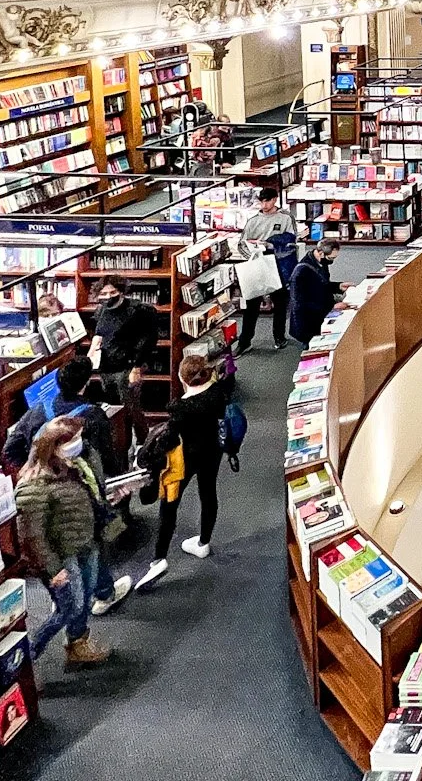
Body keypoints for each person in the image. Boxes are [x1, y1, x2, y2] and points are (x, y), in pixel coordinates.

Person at [15, 413, 111, 666]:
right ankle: (26, 657)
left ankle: (77, 645)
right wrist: (53, 569)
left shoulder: (72, 466)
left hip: (85, 544)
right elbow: (32, 535)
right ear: (53, 447)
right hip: (62, 557)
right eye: (73, 440)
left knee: (85, 600)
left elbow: (86, 498)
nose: (80, 444)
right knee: (69, 608)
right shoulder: (33, 486)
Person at [138, 351, 235, 591]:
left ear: (183, 380)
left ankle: (159, 558)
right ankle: (203, 542)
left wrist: (146, 457)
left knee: (169, 504)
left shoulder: (181, 408)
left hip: (185, 459)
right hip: (213, 452)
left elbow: (169, 440)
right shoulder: (218, 394)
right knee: (208, 493)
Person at [238, 186, 300, 354]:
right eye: (262, 201)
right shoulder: (252, 221)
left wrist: (272, 246)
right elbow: (241, 244)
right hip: (257, 265)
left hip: (278, 266)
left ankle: (279, 337)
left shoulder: (286, 218)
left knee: (280, 303)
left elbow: (292, 240)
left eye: (268, 201)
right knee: (252, 305)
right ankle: (244, 341)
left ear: (275, 199)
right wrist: (251, 256)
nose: (264, 205)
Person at [88, 276, 159, 402]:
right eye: (103, 294)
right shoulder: (101, 310)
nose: (108, 297)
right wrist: (89, 361)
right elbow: (98, 336)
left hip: (128, 367)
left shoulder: (138, 310)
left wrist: (137, 368)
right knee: (112, 405)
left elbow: (148, 340)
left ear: (121, 291)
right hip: (106, 367)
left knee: (130, 404)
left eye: (113, 292)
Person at [288, 239, 340, 346]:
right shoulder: (301, 272)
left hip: (319, 314)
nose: (332, 261)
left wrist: (339, 286)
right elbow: (298, 303)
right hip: (309, 321)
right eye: (331, 258)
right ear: (321, 253)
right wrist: (333, 306)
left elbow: (323, 285)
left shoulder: (321, 262)